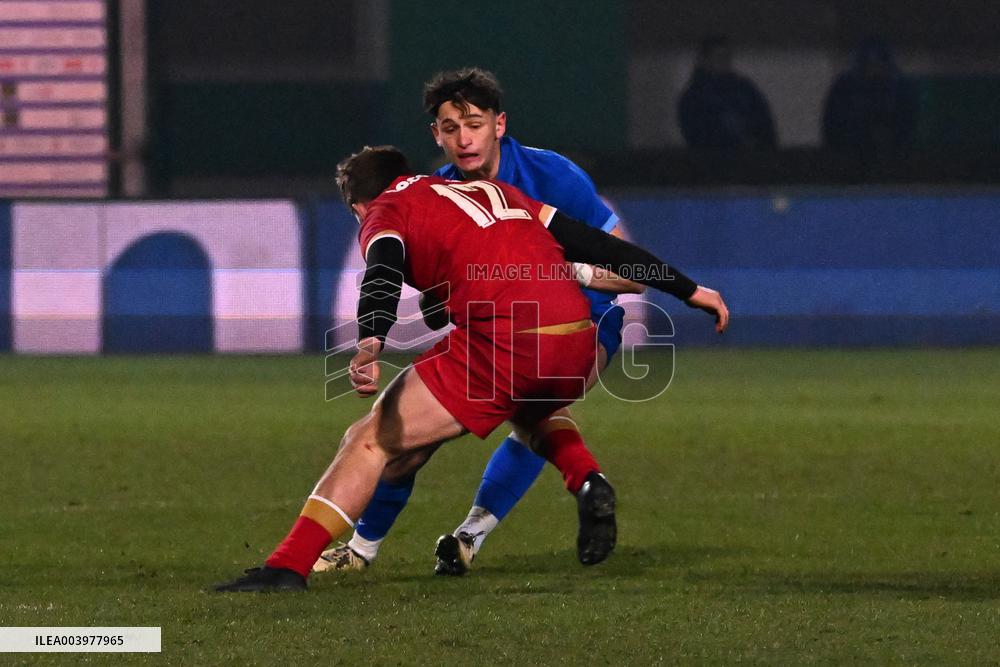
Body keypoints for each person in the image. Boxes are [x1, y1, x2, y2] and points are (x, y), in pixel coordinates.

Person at [214, 145, 728, 592]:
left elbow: (383, 269)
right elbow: (598, 243)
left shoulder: (385, 209)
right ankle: (586, 477)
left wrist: (370, 342)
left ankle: (288, 566)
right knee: (525, 407)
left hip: (508, 343)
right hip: (577, 343)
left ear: (357, 207)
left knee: (369, 439)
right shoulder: (492, 191)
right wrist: (689, 290)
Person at [316, 67, 643, 576]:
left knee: (529, 406)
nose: (464, 139)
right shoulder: (439, 190)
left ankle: (467, 533)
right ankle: (364, 549)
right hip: (494, 330)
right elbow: (439, 294)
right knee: (409, 437)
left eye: (474, 124)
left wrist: (556, 271)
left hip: (584, 322)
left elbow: (633, 273)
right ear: (436, 135)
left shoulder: (551, 175)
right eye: (451, 128)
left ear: (499, 124)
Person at [822, 37, 916, 162]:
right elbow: (832, 125)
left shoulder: (900, 88)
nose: (874, 69)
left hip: (891, 158)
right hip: (850, 157)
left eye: (879, 64)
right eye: (869, 64)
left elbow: (906, 125)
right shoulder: (845, 87)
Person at [678, 35, 777, 152]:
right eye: (719, 57)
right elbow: (698, 136)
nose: (724, 61)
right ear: (704, 59)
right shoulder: (693, 98)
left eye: (727, 57)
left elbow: (764, 122)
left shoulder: (745, 89)